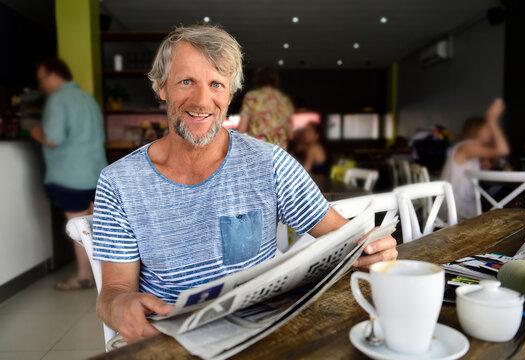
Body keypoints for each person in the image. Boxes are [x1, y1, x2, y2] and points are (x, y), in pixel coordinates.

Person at [92, 25, 397, 344]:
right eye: (186, 81)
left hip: (257, 333)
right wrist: (118, 305)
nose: (202, 100)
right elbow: (114, 290)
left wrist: (374, 249)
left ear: (230, 94)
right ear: (161, 87)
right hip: (166, 339)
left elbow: (344, 239)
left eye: (216, 84)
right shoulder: (119, 182)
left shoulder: (271, 164)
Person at [31, 58, 108, 289]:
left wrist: (36, 132)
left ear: (54, 75)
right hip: (96, 172)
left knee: (78, 227)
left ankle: (84, 276)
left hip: (72, 175)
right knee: (96, 226)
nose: (41, 85)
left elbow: (54, 139)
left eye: (42, 79)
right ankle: (105, 274)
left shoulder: (59, 99)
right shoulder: (87, 98)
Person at [440, 98, 510, 220]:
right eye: (487, 128)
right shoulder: (466, 146)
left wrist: (481, 164)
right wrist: (492, 121)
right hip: (457, 208)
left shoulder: (466, 147)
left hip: (457, 204)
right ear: (477, 130)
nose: (491, 132)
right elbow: (503, 150)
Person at [237, 67, 293, 149]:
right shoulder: (285, 100)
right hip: (279, 153)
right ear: (275, 81)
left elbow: (241, 130)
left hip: (258, 150)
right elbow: (290, 135)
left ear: (258, 80)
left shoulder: (252, 97)